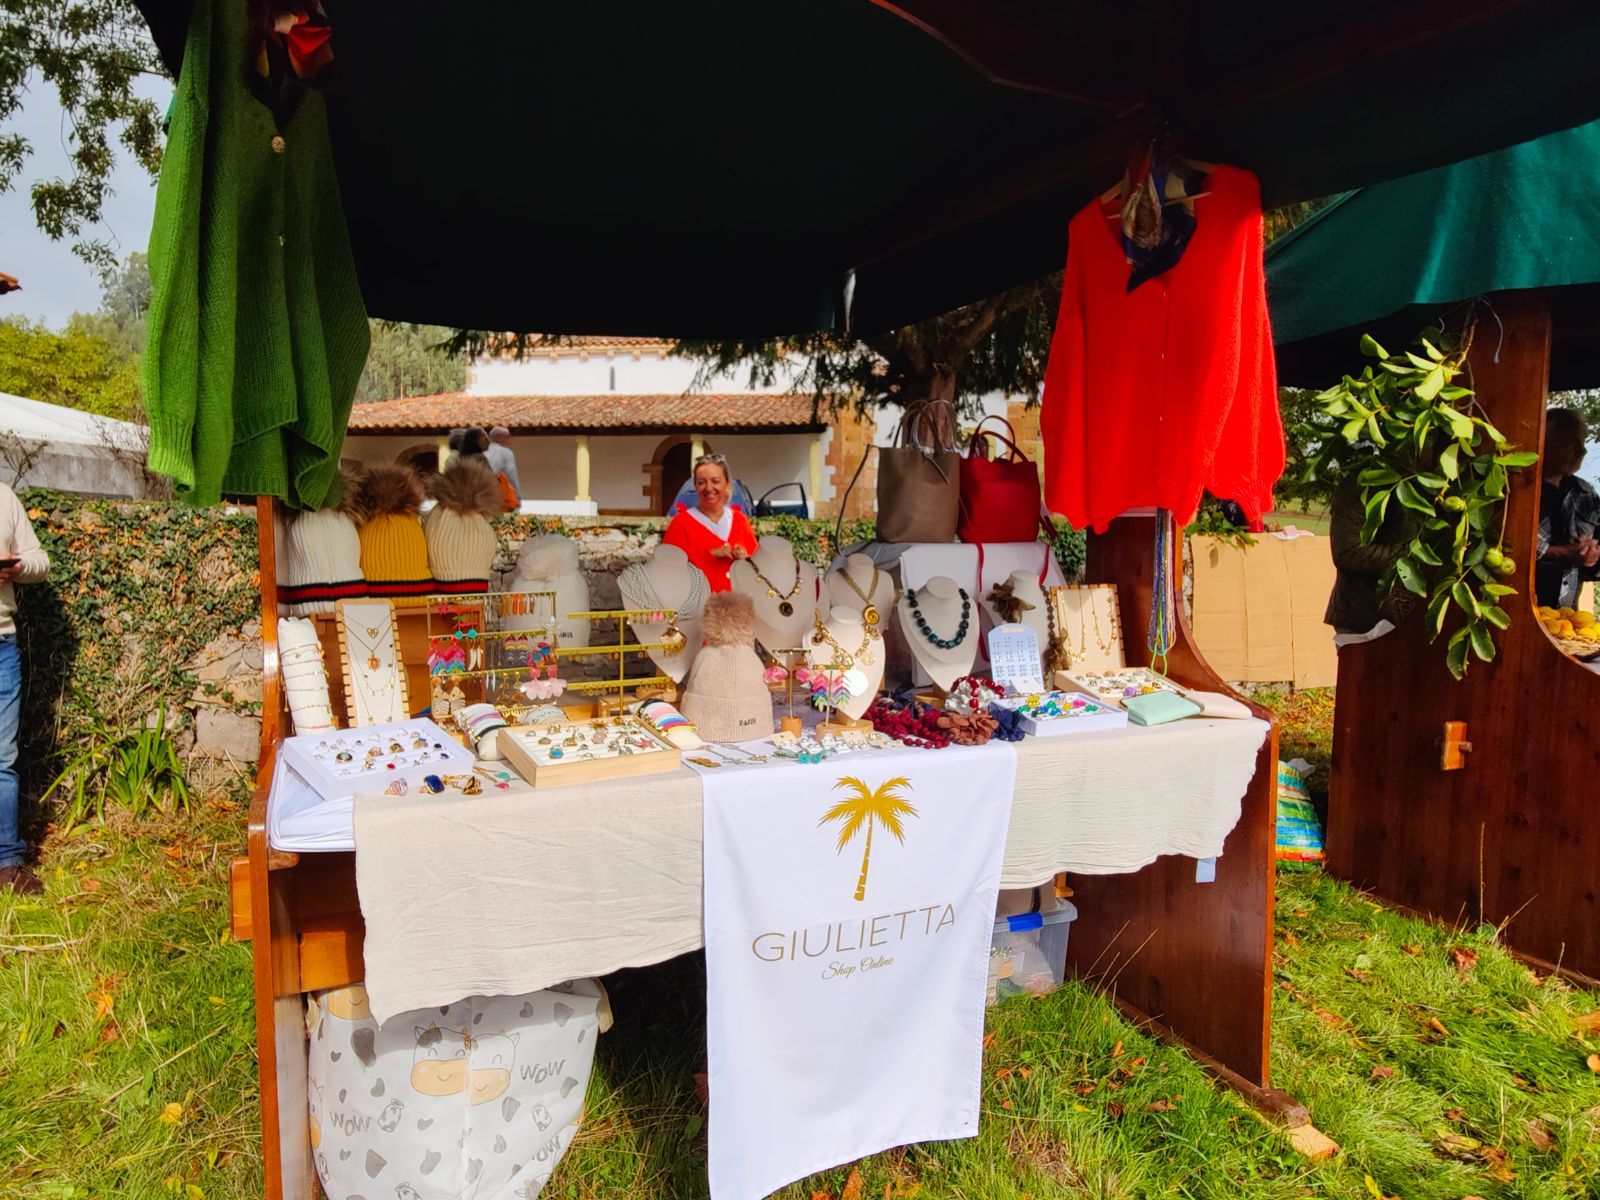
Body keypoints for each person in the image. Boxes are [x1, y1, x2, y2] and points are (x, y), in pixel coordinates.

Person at [0, 481, 49, 895]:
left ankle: (7, 864)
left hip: (2, 643)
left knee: (2, 758)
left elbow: (40, 560)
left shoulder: (3, 496)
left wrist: (17, 567)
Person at [1324, 476, 1418, 637]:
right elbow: (1348, 552)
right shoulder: (1364, 481)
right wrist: (1414, 557)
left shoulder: (1447, 484)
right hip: (1363, 619)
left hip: (1417, 626)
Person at [662, 453, 757, 592]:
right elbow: (666, 569)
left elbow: (758, 568)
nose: (708, 488)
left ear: (727, 484)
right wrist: (709, 555)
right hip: (700, 609)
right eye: (701, 482)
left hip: (740, 606)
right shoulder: (681, 524)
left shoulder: (740, 520)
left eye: (715, 481)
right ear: (695, 486)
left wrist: (745, 557)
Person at [1534, 408, 1600, 609]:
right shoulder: (1521, 490)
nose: (1581, 450)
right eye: (1570, 442)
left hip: (1565, 617)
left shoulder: (1585, 493)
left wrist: (1591, 554)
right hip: (1518, 611)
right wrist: (1564, 553)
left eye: (1580, 442)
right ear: (1543, 441)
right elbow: (1511, 548)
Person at [485, 426, 521, 501]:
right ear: (500, 437)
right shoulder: (505, 452)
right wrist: (517, 494)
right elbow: (511, 474)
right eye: (508, 436)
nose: (509, 439)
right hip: (494, 490)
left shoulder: (483, 450)